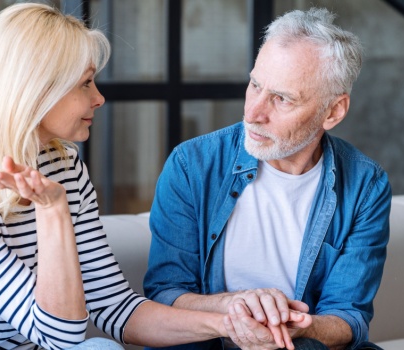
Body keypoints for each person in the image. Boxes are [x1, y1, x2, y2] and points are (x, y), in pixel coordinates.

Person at [0, 3, 238, 350]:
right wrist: (53, 210)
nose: (99, 98)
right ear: (35, 89)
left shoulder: (64, 165)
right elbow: (58, 335)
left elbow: (114, 307)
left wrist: (230, 324)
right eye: (85, 83)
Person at [143, 8, 391, 350]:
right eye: (255, 85)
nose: (253, 113)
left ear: (333, 111)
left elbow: (349, 318)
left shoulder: (366, 185)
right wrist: (235, 306)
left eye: (282, 98)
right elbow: (165, 293)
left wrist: (299, 328)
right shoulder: (192, 164)